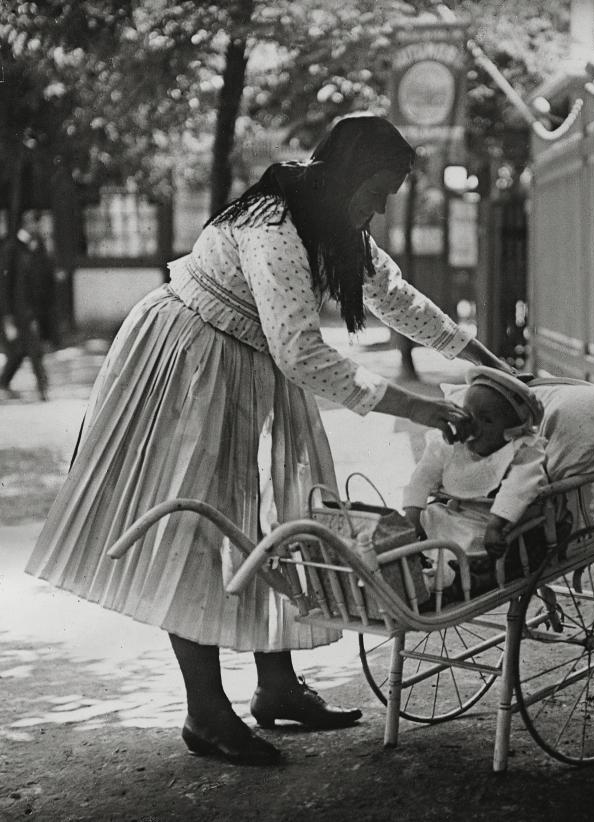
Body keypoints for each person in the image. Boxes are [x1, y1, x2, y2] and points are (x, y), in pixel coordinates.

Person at [26, 115, 513, 766]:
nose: (380, 205)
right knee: (197, 525)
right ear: (346, 176)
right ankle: (205, 713)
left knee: (280, 521)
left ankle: (276, 687)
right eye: (378, 190)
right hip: (190, 358)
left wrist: (485, 361)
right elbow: (303, 354)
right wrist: (420, 408)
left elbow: (394, 297)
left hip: (252, 362)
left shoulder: (333, 226)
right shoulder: (273, 224)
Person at [403, 367, 547, 599]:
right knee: (429, 516)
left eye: (487, 420)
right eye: (468, 415)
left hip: (491, 521)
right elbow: (423, 476)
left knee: (472, 542)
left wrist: (496, 525)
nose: (474, 426)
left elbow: (518, 489)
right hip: (453, 513)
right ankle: (418, 564)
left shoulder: (521, 450)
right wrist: (413, 515)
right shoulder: (451, 443)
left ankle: (446, 579)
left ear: (513, 430)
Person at [0, 209, 53, 401]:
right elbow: (5, 285)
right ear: (27, 224)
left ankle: (3, 383)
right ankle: (43, 387)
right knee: (34, 348)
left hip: (34, 309)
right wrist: (6, 316)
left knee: (20, 351)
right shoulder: (12, 249)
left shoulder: (39, 248)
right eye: (36, 224)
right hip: (17, 311)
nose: (38, 228)